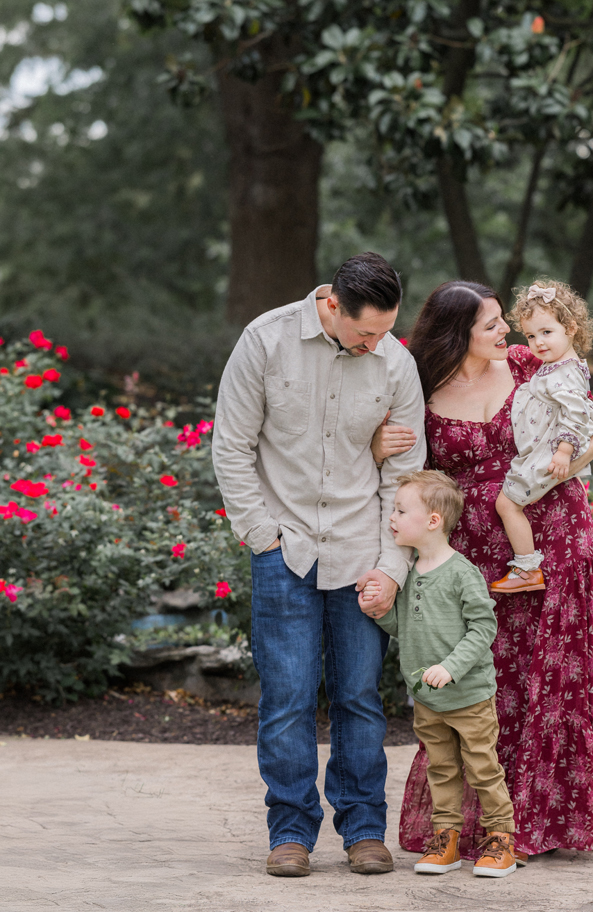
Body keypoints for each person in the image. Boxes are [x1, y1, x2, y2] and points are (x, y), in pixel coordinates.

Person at [371, 280, 593, 862]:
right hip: (470, 558)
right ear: (458, 334)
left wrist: (554, 476)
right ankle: (470, 823)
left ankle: (541, 823)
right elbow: (402, 468)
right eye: (491, 324)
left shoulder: (534, 362)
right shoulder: (419, 386)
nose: (507, 330)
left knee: (552, 679)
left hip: (550, 539)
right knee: (483, 683)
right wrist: (380, 448)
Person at [211, 252, 426, 879]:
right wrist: (260, 536)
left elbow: (403, 479)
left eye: (385, 331)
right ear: (331, 304)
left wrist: (392, 566)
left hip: (362, 549)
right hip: (286, 546)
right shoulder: (266, 340)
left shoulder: (396, 361)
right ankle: (291, 832)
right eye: (366, 332)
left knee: (360, 697)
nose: (376, 344)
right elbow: (232, 446)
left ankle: (364, 829)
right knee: (287, 697)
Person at [372, 470, 517, 880]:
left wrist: (450, 667)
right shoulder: (411, 571)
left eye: (401, 510)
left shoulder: (461, 573)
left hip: (468, 698)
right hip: (428, 700)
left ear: (433, 521)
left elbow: (483, 628)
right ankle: (446, 839)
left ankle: (501, 840)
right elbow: (404, 627)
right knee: (441, 770)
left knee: (483, 768)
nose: (392, 518)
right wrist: (378, 610)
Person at [490, 280, 593, 595]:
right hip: (540, 452)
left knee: (507, 504)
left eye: (546, 332)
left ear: (570, 328)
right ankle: (527, 566)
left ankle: (527, 568)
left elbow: (579, 414)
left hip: (548, 455)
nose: (538, 342)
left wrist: (564, 452)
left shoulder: (565, 373)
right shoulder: (555, 367)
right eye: (530, 335)